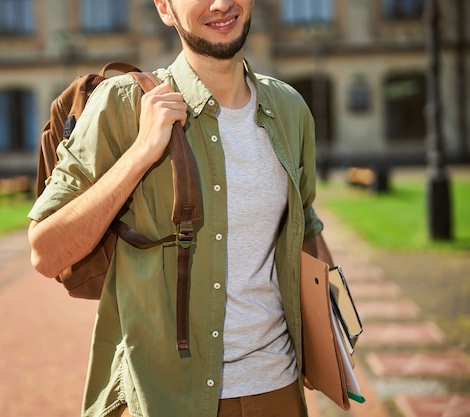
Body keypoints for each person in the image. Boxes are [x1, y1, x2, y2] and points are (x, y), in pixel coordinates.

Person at [28, 0, 335, 416]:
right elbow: (46, 252)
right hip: (162, 397)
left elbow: (307, 225)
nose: (222, 4)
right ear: (165, 8)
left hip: (277, 388)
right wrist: (140, 153)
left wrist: (324, 338)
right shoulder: (121, 104)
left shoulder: (290, 109)